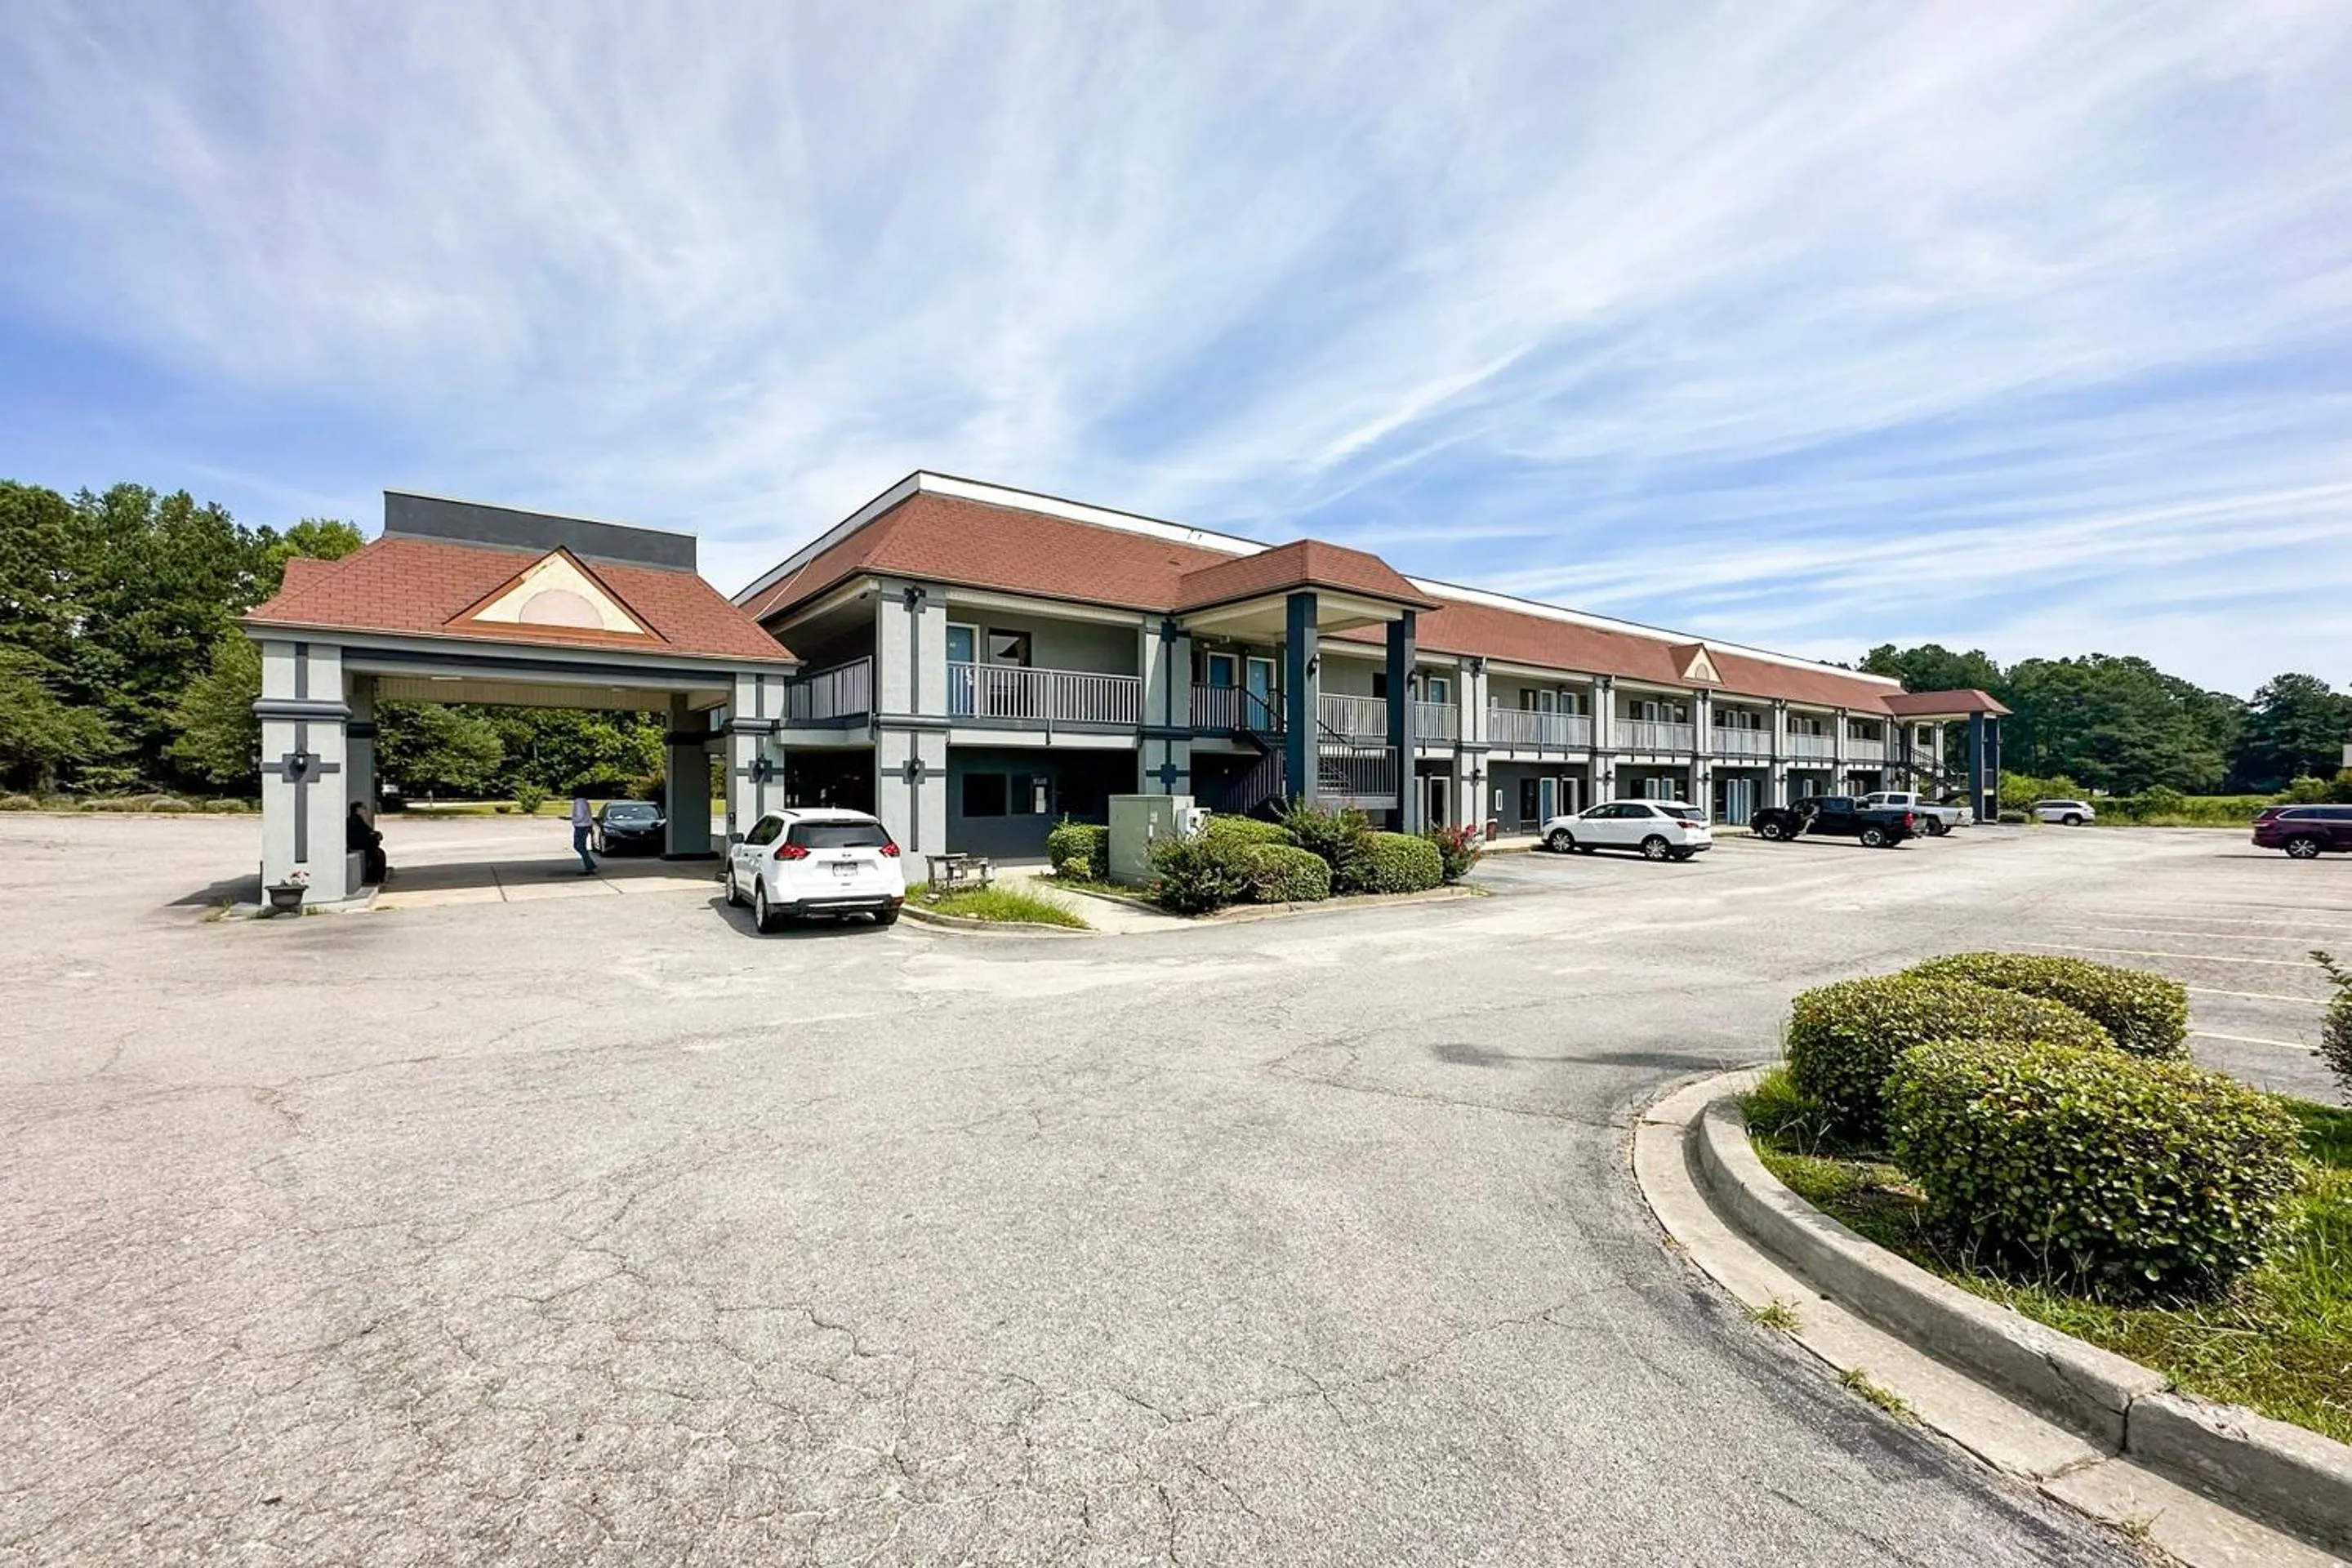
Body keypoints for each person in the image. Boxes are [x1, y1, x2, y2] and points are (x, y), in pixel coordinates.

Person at [345, 801, 388, 885]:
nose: (365, 810)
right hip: (361, 845)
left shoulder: (359, 820)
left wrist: (376, 834)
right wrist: (373, 835)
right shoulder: (354, 821)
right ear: (358, 809)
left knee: (379, 854)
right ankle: (374, 877)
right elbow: (361, 834)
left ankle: (378, 877)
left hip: (365, 844)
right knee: (377, 856)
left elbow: (368, 831)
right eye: (364, 808)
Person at [570, 795, 597, 875]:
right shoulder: (585, 802)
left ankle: (590, 866)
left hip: (581, 826)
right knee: (581, 846)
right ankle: (590, 864)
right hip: (586, 825)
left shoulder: (578, 802)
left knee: (579, 846)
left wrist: (573, 819)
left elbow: (580, 816)